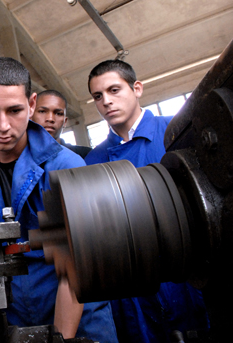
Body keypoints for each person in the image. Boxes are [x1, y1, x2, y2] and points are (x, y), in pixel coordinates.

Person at [0, 57, 118, 341]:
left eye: (15, 110)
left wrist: (61, 337)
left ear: (31, 105)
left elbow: (77, 268)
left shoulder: (66, 166)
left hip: (76, 313)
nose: (3, 125)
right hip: (12, 313)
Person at [85, 59, 209, 342]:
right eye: (98, 96)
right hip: (135, 291)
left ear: (137, 88)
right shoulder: (93, 161)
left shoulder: (177, 133)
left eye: (114, 90)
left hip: (191, 280)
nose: (106, 101)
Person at [32, 90, 92, 158]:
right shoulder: (19, 160)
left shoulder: (86, 155)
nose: (50, 118)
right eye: (42, 111)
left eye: (58, 113)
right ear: (30, 117)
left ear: (65, 122)